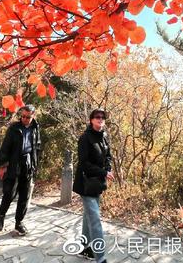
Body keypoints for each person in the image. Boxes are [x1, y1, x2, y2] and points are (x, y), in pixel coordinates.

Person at [73, 109, 113, 262]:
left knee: (88, 217)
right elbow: (84, 164)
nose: (100, 119)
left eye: (103, 117)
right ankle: (101, 258)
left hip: (97, 184)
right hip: (86, 183)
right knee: (95, 219)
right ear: (91, 120)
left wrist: (108, 169)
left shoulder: (103, 136)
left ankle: (85, 249)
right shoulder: (85, 138)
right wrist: (103, 172)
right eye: (97, 117)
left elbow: (108, 156)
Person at [0, 104, 41, 235]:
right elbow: (5, 148)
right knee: (9, 193)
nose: (25, 119)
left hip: (28, 163)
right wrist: (2, 166)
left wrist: (35, 165)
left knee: (24, 196)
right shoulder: (14, 128)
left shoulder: (36, 128)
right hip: (13, 163)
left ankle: (19, 223)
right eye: (23, 116)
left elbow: (37, 148)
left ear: (33, 116)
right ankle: (1, 216)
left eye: (28, 117)